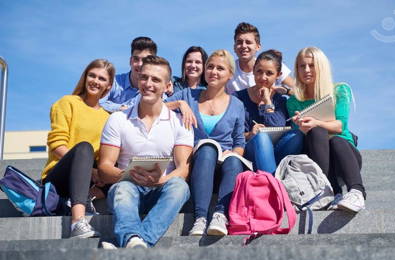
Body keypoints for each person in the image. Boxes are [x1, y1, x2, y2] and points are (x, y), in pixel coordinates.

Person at [98, 55, 194, 249]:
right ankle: (136, 240)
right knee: (122, 189)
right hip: (128, 188)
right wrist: (129, 175)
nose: (148, 84)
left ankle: (136, 240)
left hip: (162, 189)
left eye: (156, 80)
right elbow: (104, 168)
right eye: (144, 77)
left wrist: (159, 181)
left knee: (180, 187)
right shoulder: (117, 119)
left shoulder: (180, 122)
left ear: (168, 87)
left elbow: (183, 169)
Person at [166, 49, 245, 236]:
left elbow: (239, 141)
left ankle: (220, 215)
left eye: (220, 68)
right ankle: (200, 218)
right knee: (207, 147)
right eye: (210, 67)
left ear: (230, 75)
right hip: (196, 161)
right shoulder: (187, 95)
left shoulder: (237, 104)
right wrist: (179, 104)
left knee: (234, 160)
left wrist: (234, 153)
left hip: (224, 166)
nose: (213, 72)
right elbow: (154, 106)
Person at [41, 58, 115, 238]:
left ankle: (86, 198)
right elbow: (57, 144)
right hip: (59, 177)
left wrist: (98, 172)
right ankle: (77, 222)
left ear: (108, 86)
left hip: (91, 178)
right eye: (92, 75)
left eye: (102, 79)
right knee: (84, 149)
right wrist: (90, 170)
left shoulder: (109, 117)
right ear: (85, 77)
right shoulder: (67, 103)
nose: (96, 81)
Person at [287, 46, 366, 212]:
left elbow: (339, 126)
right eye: (302, 66)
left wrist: (316, 122)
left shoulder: (339, 90)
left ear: (321, 67)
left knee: (335, 139)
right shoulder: (293, 101)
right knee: (315, 131)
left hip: (344, 155)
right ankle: (330, 192)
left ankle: (357, 191)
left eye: (312, 65)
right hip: (316, 157)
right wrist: (299, 126)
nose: (306, 70)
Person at [236, 50, 303, 174]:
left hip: (277, 151)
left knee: (297, 135)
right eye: (259, 71)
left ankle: (274, 175)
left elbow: (277, 127)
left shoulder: (280, 100)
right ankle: (271, 184)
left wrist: (267, 102)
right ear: (253, 71)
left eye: (269, 73)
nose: (263, 77)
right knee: (261, 137)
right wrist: (250, 134)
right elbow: (232, 133)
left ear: (278, 75)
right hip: (250, 152)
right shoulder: (238, 98)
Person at [226, 22, 294, 95]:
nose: (244, 46)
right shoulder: (227, 72)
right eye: (239, 42)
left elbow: (297, 90)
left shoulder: (272, 64)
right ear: (234, 47)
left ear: (258, 46)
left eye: (248, 42)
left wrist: (285, 91)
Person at [99, 37, 158, 112]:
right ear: (130, 61)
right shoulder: (114, 81)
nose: (139, 64)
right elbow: (98, 102)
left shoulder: (157, 88)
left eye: (144, 60)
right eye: (136, 59)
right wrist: (120, 108)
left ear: (153, 64)